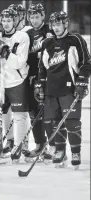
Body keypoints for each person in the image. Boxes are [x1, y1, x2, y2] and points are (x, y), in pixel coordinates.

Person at [36, 11, 91, 169]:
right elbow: (42, 67)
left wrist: (82, 81)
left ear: (65, 24)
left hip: (70, 89)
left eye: (59, 24)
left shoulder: (75, 40)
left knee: (72, 122)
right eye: (53, 24)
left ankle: (75, 152)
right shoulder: (47, 43)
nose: (56, 27)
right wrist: (40, 84)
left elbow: (86, 62)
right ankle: (60, 151)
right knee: (56, 123)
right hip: (52, 90)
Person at [0, 7, 31, 163]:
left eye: (9, 20)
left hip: (17, 82)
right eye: (3, 21)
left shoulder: (22, 36)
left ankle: (18, 146)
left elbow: (19, 62)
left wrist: (4, 51)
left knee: (20, 117)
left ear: (15, 21)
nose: (6, 24)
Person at [25, 3, 56, 161]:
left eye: (37, 17)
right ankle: (39, 144)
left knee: (48, 112)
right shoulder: (27, 33)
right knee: (33, 112)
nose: (34, 20)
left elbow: (53, 54)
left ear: (43, 16)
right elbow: (26, 57)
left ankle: (54, 146)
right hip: (31, 77)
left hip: (47, 77)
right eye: (32, 17)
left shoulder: (50, 31)